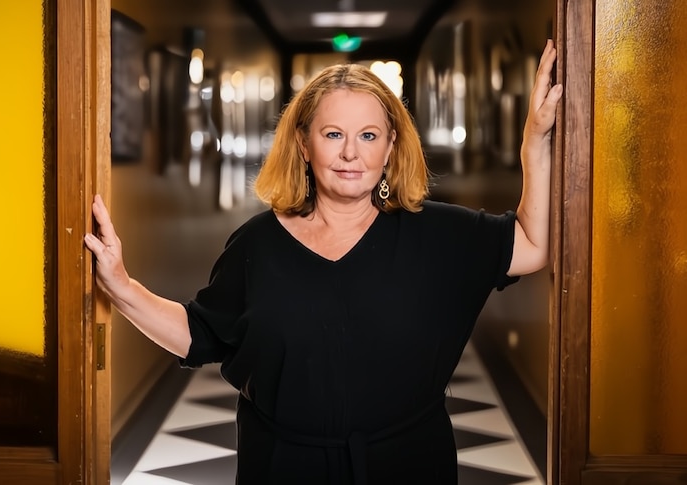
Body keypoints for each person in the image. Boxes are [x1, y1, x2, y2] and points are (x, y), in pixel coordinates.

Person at [85, 40, 562, 484]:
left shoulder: (436, 234)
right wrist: (122, 285)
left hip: (408, 466)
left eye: (369, 135)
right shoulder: (257, 246)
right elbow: (200, 334)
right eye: (333, 134)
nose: (351, 153)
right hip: (282, 466)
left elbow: (531, 245)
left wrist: (534, 142)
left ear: (391, 145)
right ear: (302, 143)